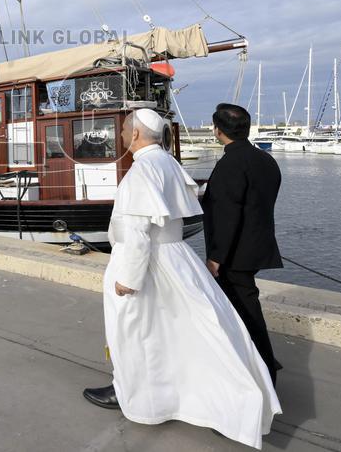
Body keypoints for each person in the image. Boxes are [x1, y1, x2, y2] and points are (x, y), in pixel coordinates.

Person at [82, 108, 280, 449]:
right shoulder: (170, 164)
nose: (121, 137)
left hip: (149, 263)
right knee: (185, 334)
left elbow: (137, 231)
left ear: (133, 135)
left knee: (135, 331)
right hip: (177, 259)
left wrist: (127, 277)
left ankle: (131, 393)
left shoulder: (141, 171)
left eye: (123, 131)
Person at [204, 103, 284, 384]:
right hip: (256, 247)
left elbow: (229, 215)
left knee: (246, 314)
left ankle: (264, 371)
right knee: (245, 310)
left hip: (235, 254)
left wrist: (216, 257)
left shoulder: (230, 164)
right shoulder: (265, 160)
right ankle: (261, 364)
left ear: (218, 130)